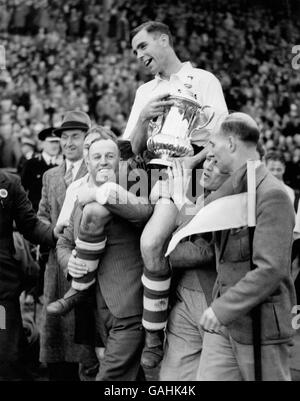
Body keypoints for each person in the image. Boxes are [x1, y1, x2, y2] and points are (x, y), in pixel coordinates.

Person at [123, 20, 228, 368]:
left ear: (164, 40)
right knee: (143, 243)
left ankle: (163, 335)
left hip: (191, 176)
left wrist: (191, 163)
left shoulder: (203, 80)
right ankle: (151, 332)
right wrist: (143, 120)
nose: (139, 55)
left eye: (142, 46)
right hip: (151, 176)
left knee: (165, 246)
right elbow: (131, 149)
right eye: (135, 50)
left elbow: (221, 137)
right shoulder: (143, 92)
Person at [196, 112, 296, 381]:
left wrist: (221, 308)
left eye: (214, 145)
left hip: (260, 327)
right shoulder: (231, 187)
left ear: (230, 144)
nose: (211, 154)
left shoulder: (272, 194)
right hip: (225, 325)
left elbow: (271, 268)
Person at [55, 135, 152, 380]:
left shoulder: (130, 189)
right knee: (130, 377)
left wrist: (100, 195)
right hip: (93, 308)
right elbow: (64, 242)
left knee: (110, 378)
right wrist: (70, 262)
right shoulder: (80, 196)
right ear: (87, 163)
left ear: (120, 161)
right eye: (97, 157)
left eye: (110, 156)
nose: (104, 162)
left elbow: (142, 213)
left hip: (127, 306)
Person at [158, 155, 230, 380]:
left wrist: (161, 255)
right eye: (207, 159)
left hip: (215, 301)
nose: (207, 166)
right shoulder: (200, 193)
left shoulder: (234, 199)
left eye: (216, 161)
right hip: (184, 296)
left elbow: (206, 251)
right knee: (172, 377)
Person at [37, 110, 90, 381]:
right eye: (64, 137)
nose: (69, 143)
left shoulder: (95, 170)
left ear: (86, 139)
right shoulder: (50, 176)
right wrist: (52, 232)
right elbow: (42, 214)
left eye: (76, 137)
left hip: (87, 263)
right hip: (55, 265)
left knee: (85, 341)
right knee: (56, 334)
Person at [0, 169, 61, 380]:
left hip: (1, 296)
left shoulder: (8, 183)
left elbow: (30, 225)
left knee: (5, 354)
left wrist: (54, 234)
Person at [21, 127, 61, 212]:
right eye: (51, 142)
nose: (55, 145)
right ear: (42, 143)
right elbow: (22, 190)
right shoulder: (31, 164)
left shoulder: (63, 164)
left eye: (57, 141)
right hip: (35, 211)